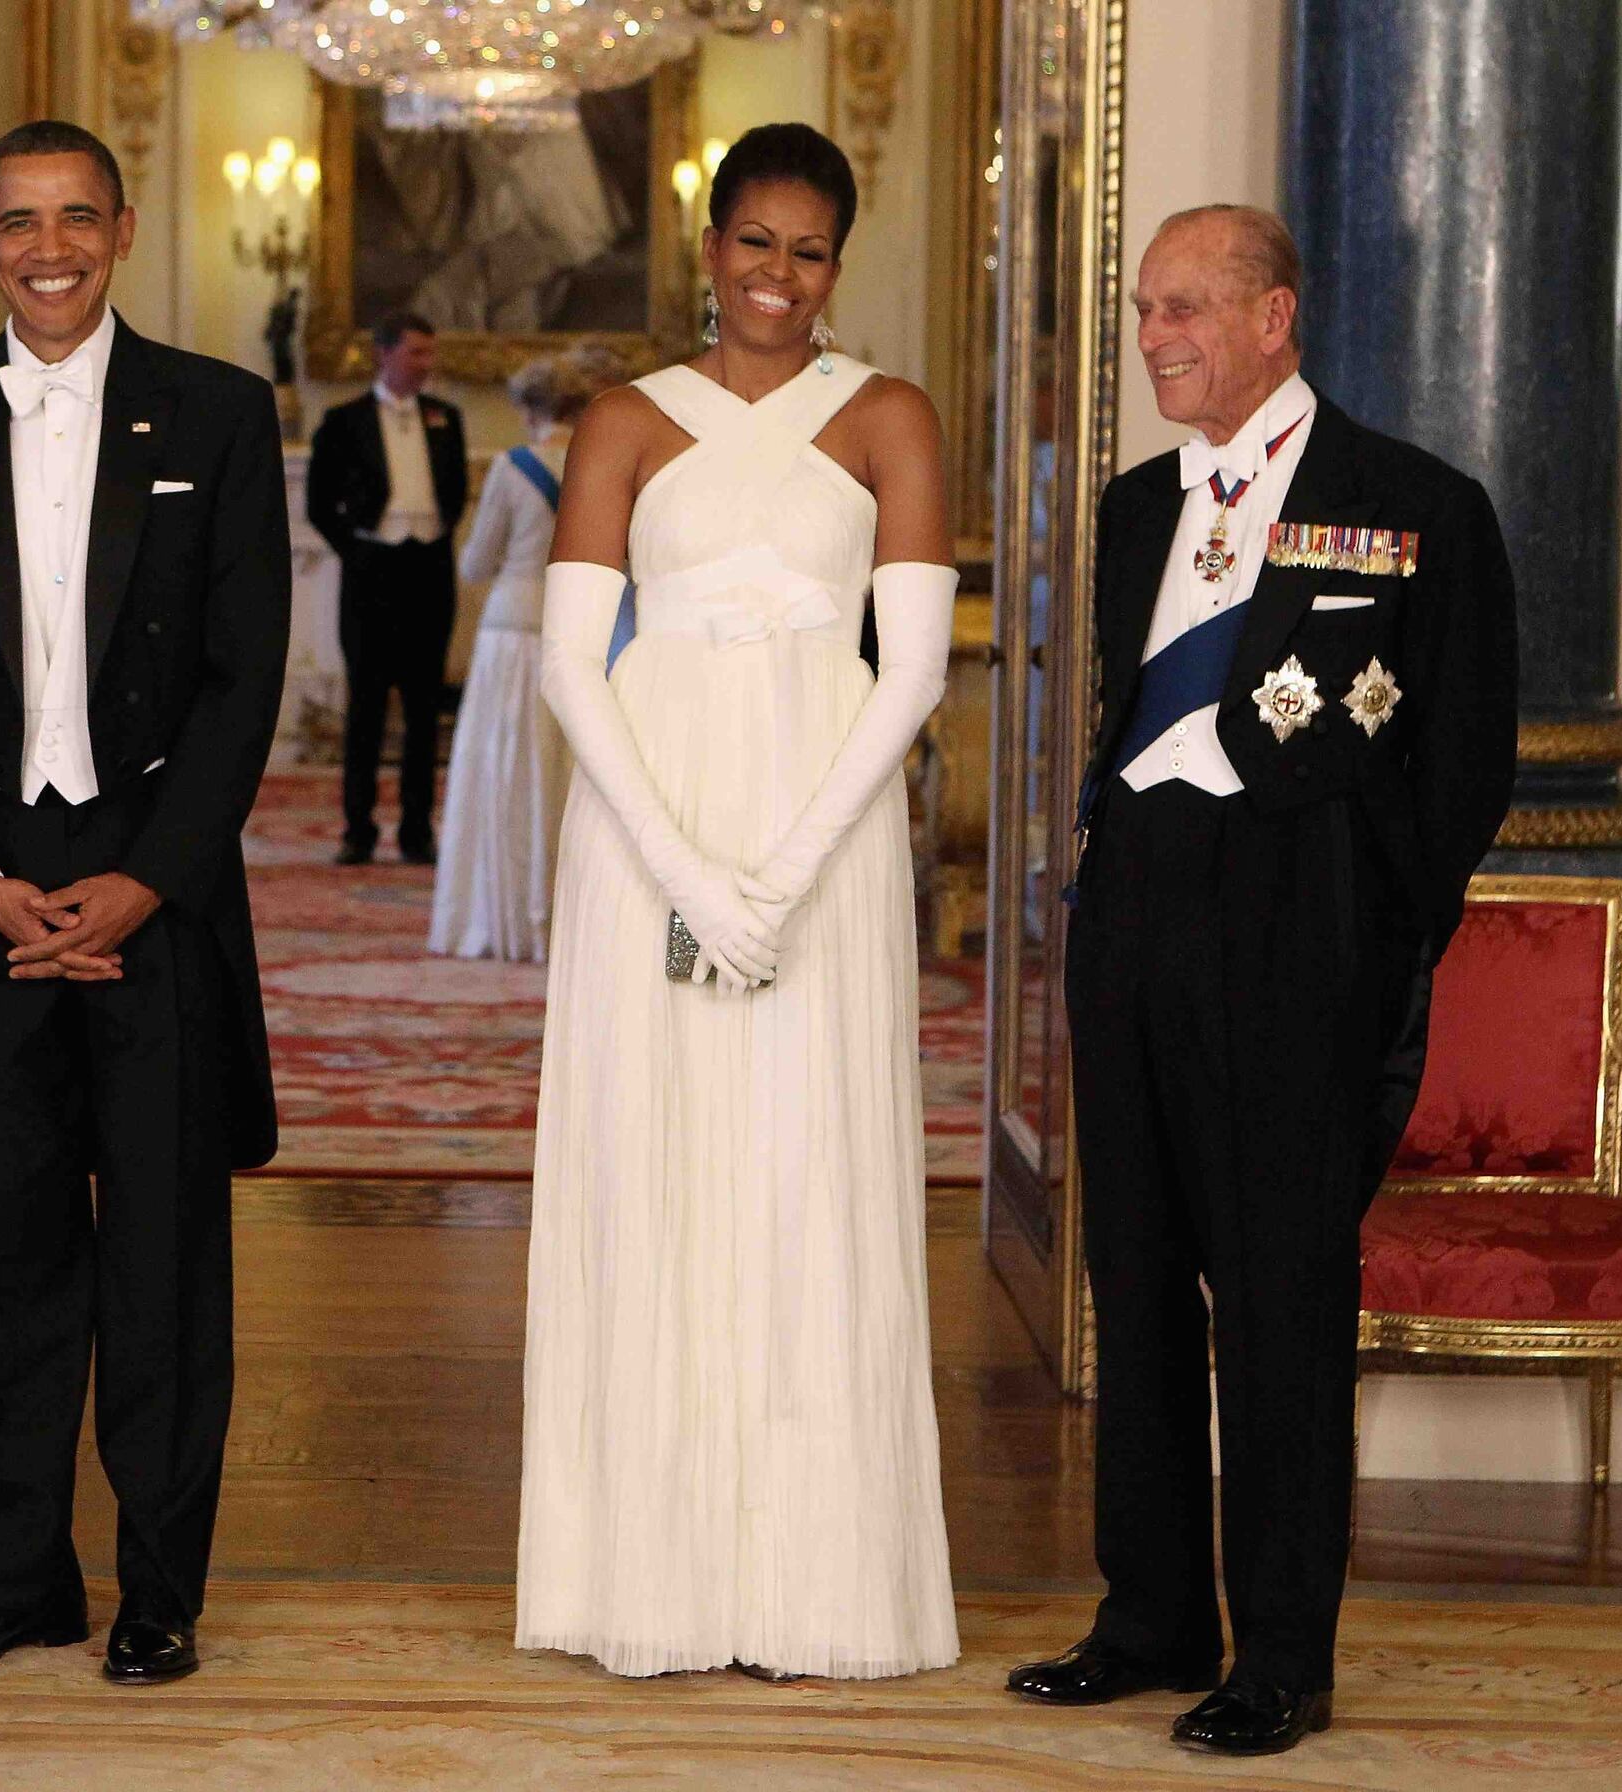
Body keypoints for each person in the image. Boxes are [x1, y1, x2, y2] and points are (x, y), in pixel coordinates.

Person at [1005, 205, 1517, 1757]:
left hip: (1299, 942)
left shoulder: (1412, 502)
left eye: (1183, 309)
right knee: (1138, 1282)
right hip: (1138, 930)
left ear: (1274, 315)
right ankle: (1151, 1615)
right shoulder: (1134, 508)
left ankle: (1281, 1654)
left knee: (1282, 1301)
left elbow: (1465, 762)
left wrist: (1367, 937)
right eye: (1147, 310)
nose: (1155, 334)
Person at [515, 123, 960, 1680]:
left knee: (804, 1170)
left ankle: (816, 1585)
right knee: (661, 1169)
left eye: (811, 249)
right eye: (754, 243)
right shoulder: (625, 419)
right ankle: (650, 1575)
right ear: (709, 251)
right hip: (650, 836)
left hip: (825, 840)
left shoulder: (891, 416)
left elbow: (904, 674)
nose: (780, 276)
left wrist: (781, 876)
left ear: (842, 262)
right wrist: (694, 875)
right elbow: (573, 662)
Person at [0, 121, 289, 1687]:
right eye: (20, 222)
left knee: (166, 1259)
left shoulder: (224, 417)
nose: (52, 247)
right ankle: (20, 1576)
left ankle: (159, 1591)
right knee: (9, 1254)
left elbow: (248, 681)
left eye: (78, 218)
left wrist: (144, 881)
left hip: (156, 892)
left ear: (122, 227)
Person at [428, 345, 620, 962]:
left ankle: (503, 914)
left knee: (508, 772)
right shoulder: (603, 463)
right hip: (582, 627)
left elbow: (475, 561)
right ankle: (570, 912)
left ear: (529, 409)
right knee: (569, 772)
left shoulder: (514, 467)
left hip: (512, 630)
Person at [307, 311, 469, 866]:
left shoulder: (446, 416)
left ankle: (417, 831)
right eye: (416, 353)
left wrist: (433, 532)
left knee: (424, 711)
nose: (427, 364)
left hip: (428, 572)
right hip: (371, 575)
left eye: (430, 353)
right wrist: (359, 549)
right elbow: (318, 504)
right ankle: (358, 830)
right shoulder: (343, 420)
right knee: (367, 710)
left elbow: (456, 490)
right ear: (384, 354)